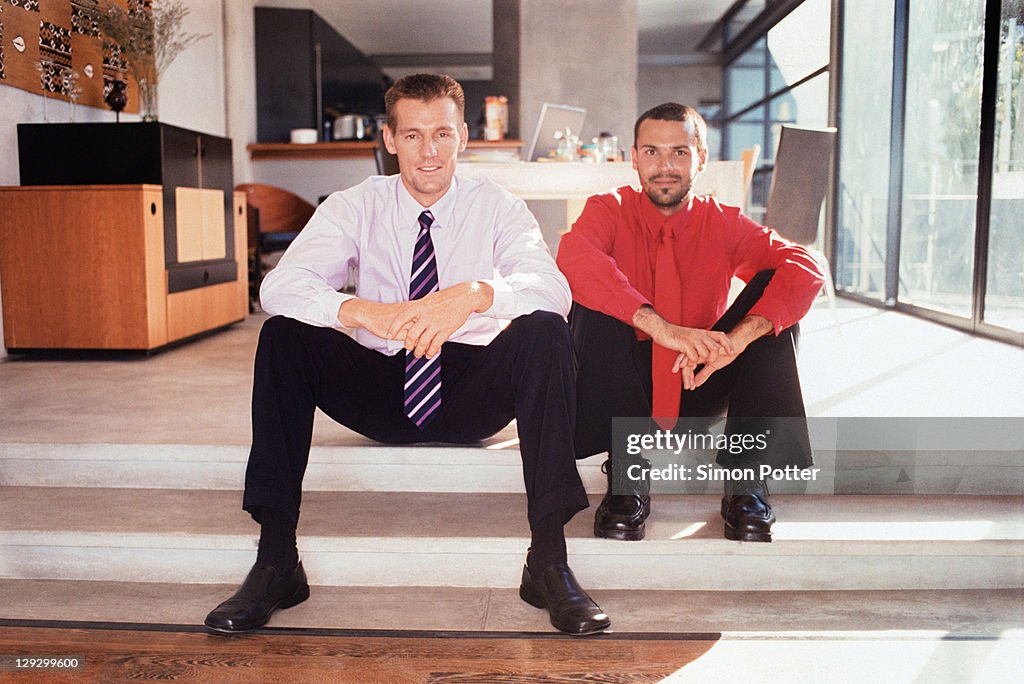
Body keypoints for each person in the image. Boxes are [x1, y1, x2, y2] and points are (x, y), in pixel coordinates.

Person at [205, 74, 609, 636]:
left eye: (443, 133)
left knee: (543, 329)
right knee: (283, 336)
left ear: (464, 136)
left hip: (473, 389)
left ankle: (548, 559)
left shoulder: (497, 206)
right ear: (390, 139)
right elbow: (279, 287)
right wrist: (364, 311)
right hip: (381, 387)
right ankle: (277, 560)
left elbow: (552, 288)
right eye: (414, 135)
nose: (430, 151)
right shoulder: (356, 204)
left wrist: (473, 296)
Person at [556, 103, 823, 543]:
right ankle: (626, 470)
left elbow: (804, 264)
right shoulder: (608, 210)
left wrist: (738, 340)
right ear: (634, 156)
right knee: (592, 299)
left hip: (699, 376)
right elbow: (574, 257)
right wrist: (661, 327)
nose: (665, 167)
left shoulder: (723, 222)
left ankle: (747, 477)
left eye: (679, 153)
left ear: (701, 157)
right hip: (624, 386)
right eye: (653, 153)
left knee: (775, 300)